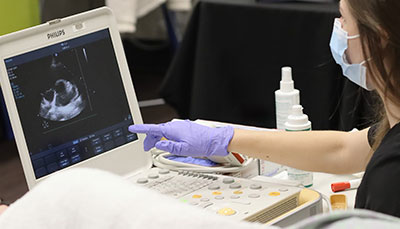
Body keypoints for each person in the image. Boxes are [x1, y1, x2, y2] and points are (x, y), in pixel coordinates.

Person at [129, 0, 400, 218]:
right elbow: (346, 149)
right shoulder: (392, 137)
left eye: (342, 19)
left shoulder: (390, 176)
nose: (337, 27)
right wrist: (224, 139)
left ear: (377, 38)